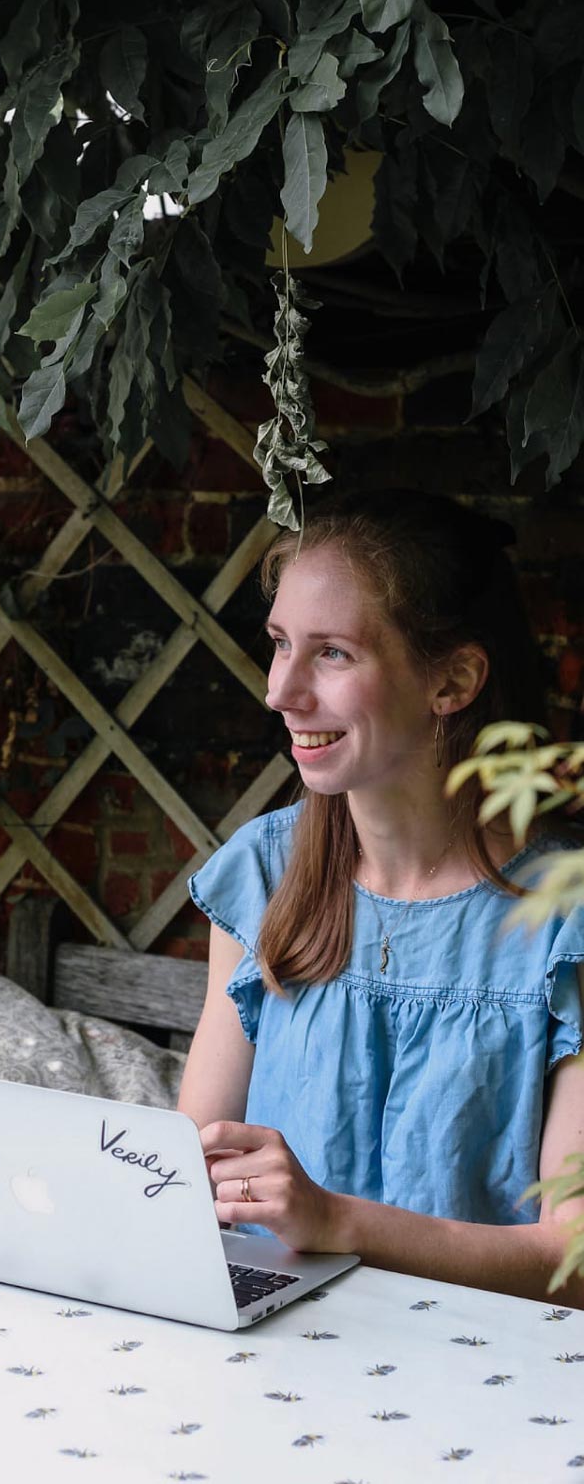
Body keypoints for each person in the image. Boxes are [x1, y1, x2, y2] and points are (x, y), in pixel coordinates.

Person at [178, 489, 584, 1305]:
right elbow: (186, 1176)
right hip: (272, 1346)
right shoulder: (265, 875)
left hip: (480, 1363)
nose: (281, 690)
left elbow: (570, 1262)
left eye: (333, 653)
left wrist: (338, 1221)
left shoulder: (563, 918)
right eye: (281, 644)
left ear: (454, 679)